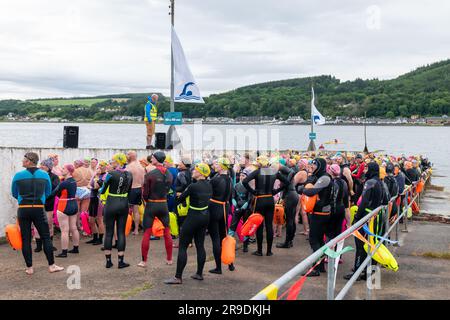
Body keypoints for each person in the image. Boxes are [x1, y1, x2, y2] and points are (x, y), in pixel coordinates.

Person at [11, 152, 64, 275]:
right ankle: (51, 266)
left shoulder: (18, 175)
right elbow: (48, 191)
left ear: (29, 161)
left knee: (26, 239)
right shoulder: (44, 175)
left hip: (23, 208)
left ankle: (29, 268)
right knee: (46, 237)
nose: (22, 161)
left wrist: (22, 199)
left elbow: (14, 192)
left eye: (23, 159)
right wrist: (40, 200)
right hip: (39, 208)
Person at [164, 163, 212, 284]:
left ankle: (177, 277)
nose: (193, 172)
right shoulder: (209, 185)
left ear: (201, 173)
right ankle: (199, 274)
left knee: (183, 246)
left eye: (195, 170)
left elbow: (179, 199)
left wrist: (178, 195)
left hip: (193, 217)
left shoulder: (193, 186)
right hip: (205, 216)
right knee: (200, 245)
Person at [242, 156, 290, 256]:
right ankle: (269, 251)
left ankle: (260, 251)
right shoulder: (273, 172)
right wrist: (276, 191)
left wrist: (253, 192)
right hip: (269, 199)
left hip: (260, 199)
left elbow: (244, 181)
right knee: (269, 225)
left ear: (261, 163)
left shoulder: (258, 172)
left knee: (259, 225)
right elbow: (287, 182)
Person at [344, 162, 383, 280]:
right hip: (375, 216)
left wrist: (357, 218)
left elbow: (364, 202)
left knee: (360, 245)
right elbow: (386, 200)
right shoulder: (380, 182)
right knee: (370, 244)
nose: (365, 171)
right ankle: (368, 271)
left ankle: (357, 272)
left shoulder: (370, 183)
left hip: (366, 217)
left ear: (371, 169)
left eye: (367, 168)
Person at [297, 158, 332, 277]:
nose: (312, 166)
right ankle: (321, 266)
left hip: (321, 214)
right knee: (319, 240)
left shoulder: (325, 177)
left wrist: (303, 189)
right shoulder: (318, 176)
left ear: (321, 166)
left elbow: (312, 192)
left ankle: (316, 268)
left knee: (314, 240)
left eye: (315, 164)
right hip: (318, 212)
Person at [138, 151, 173, 268]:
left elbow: (145, 193)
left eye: (152, 157)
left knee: (147, 232)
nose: (151, 158)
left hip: (152, 204)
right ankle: (169, 259)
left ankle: (144, 261)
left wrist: (147, 201)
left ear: (157, 159)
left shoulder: (150, 174)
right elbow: (167, 190)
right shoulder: (169, 174)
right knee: (167, 231)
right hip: (163, 204)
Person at [100, 153, 133, 269]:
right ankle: (121, 261)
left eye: (113, 161)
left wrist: (99, 185)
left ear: (118, 162)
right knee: (120, 232)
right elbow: (129, 190)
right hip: (123, 202)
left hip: (111, 203)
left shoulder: (110, 174)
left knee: (109, 232)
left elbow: (102, 191)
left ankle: (108, 261)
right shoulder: (129, 174)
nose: (111, 163)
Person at [208, 157, 233, 274]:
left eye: (217, 164)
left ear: (222, 166)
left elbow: (206, 191)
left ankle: (218, 268)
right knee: (225, 236)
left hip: (215, 208)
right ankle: (230, 263)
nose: (215, 165)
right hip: (225, 208)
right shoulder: (229, 179)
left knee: (216, 239)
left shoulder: (215, 180)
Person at [52, 164, 80, 258]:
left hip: (64, 205)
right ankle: (76, 248)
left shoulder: (64, 183)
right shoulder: (73, 181)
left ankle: (64, 252)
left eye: (63, 168)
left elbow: (55, 193)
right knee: (74, 228)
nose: (62, 170)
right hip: (73, 204)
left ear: (68, 171)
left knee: (64, 230)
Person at [34, 158, 59, 253]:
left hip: (49, 203)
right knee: (37, 224)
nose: (40, 166)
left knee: (49, 224)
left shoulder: (54, 177)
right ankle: (38, 245)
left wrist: (46, 196)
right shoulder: (36, 176)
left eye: (42, 165)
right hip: (37, 203)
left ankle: (49, 245)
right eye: (40, 164)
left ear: (48, 167)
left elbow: (55, 189)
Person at [275, 160, 298, 249]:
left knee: (289, 220)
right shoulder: (280, 171)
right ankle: (290, 240)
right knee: (291, 219)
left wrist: (287, 181)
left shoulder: (282, 168)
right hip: (291, 194)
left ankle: (287, 242)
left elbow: (292, 172)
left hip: (290, 195)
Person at [229, 171, 251, 252]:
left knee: (246, 226)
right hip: (237, 208)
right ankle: (230, 244)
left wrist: (243, 207)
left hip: (246, 209)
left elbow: (249, 199)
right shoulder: (236, 186)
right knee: (232, 226)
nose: (241, 177)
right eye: (241, 175)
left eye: (244, 175)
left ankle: (245, 245)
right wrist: (235, 206)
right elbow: (233, 197)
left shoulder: (248, 186)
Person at [86, 161, 108, 246]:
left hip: (99, 199)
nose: (99, 168)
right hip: (92, 198)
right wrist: (94, 178)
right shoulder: (96, 175)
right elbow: (88, 185)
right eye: (99, 166)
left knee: (99, 219)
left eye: (102, 166)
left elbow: (95, 187)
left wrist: (96, 177)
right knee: (91, 220)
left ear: (105, 167)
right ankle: (94, 237)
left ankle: (100, 238)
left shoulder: (105, 176)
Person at [326, 164, 349, 241]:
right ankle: (337, 251)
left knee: (329, 233)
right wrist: (348, 222)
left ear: (331, 172)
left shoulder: (330, 183)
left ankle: (329, 251)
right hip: (341, 209)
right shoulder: (344, 183)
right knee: (338, 232)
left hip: (332, 210)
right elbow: (346, 204)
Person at [126, 151, 146, 235]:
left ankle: (125, 228)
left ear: (130, 156)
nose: (126, 156)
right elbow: (143, 181)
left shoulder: (129, 167)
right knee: (136, 210)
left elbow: (126, 181)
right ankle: (136, 230)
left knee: (125, 210)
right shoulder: (141, 167)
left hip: (131, 189)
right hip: (138, 189)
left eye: (127, 154)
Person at [293, 159, 310, 236]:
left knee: (296, 212)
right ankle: (306, 230)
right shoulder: (307, 172)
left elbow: (293, 183)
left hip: (298, 194)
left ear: (303, 164)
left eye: (299, 163)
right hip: (304, 194)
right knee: (303, 213)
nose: (298, 165)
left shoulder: (301, 173)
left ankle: (292, 230)